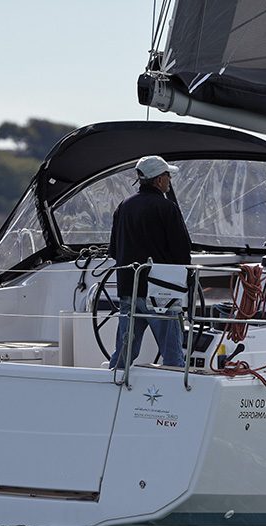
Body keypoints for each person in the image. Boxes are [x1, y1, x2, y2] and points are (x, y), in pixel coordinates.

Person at [107, 155, 192, 369]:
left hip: (129, 289)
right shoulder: (167, 208)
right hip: (160, 293)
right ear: (159, 179)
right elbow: (182, 253)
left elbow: (114, 251)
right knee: (172, 355)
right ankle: (176, 388)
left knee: (124, 352)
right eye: (168, 176)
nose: (170, 180)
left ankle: (111, 382)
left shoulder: (123, 206)